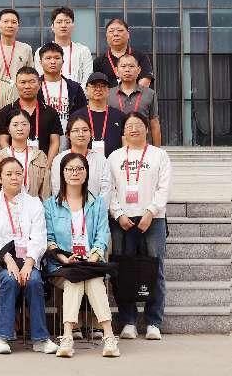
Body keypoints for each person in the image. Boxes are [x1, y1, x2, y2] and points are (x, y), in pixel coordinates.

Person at [44, 152, 120, 358]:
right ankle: (85, 335)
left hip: (90, 263)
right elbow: (49, 239)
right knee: (74, 278)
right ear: (62, 173)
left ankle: (99, 336)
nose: (75, 173)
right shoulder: (50, 205)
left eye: (80, 169)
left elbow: (103, 235)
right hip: (63, 265)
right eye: (69, 169)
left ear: (86, 173)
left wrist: (93, 257)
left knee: (89, 279)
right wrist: (63, 258)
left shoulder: (98, 203)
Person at [0, 157, 58, 355]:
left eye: (18, 173)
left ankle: (40, 339)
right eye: (9, 174)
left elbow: (39, 236)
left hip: (27, 260)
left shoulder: (34, 203)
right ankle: (1, 337)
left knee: (34, 281)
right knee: (9, 279)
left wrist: (29, 263)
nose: (14, 177)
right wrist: (9, 261)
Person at [108, 111, 172, 341]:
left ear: (147, 129)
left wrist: (150, 212)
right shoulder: (114, 157)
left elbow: (164, 188)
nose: (133, 129)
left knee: (155, 268)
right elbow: (109, 189)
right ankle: (128, 321)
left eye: (138, 125)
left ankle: (154, 322)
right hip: (122, 221)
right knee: (123, 270)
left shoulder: (159, 155)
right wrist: (118, 214)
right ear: (123, 131)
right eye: (129, 126)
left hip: (153, 219)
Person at [0, 66, 63, 160]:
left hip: (43, 164)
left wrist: (47, 165)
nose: (27, 86)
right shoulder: (6, 111)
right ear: (16, 85)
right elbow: (3, 141)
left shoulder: (50, 112)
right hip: (14, 165)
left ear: (39, 84)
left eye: (32, 82)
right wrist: (12, 163)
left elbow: (54, 142)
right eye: (23, 82)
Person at [49, 115, 113, 203]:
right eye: (76, 130)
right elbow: (57, 189)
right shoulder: (59, 159)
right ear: (68, 135)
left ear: (91, 133)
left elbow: (106, 191)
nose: (81, 134)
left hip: (96, 210)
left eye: (85, 130)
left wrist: (97, 209)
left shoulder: (101, 160)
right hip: (66, 210)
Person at [0, 110, 51, 199]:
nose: (20, 128)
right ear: (8, 129)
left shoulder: (40, 156)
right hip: (5, 205)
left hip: (33, 205)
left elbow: (45, 191)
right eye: (15, 125)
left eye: (24, 124)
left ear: (30, 127)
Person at [108, 53, 162, 145]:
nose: (127, 70)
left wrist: (157, 150)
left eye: (131, 66)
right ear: (116, 70)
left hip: (143, 147)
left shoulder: (150, 94)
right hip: (116, 147)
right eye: (123, 66)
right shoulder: (108, 94)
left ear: (139, 70)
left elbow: (154, 124)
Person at [37, 42, 87, 136]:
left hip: (69, 140)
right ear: (40, 62)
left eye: (57, 58)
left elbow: (83, 115)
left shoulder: (74, 88)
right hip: (42, 139)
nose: (53, 62)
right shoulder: (34, 87)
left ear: (63, 61)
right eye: (48, 58)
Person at [34, 7, 93, 87]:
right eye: (59, 22)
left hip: (77, 93)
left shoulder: (83, 51)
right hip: (48, 93)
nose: (63, 25)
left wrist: (78, 93)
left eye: (67, 22)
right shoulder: (41, 51)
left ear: (73, 26)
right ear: (52, 27)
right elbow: (39, 78)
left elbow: (87, 79)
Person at [72, 72, 125, 157]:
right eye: (94, 86)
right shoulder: (76, 116)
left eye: (102, 86)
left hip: (113, 163)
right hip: (84, 162)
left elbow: (125, 147)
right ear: (86, 90)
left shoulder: (120, 116)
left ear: (108, 90)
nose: (98, 89)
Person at [93, 18, 154, 88]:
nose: (115, 34)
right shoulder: (99, 61)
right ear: (106, 36)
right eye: (111, 31)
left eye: (120, 30)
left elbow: (146, 80)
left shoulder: (141, 56)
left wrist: (130, 93)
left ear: (128, 34)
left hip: (136, 94)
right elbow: (98, 86)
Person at [0, 9, 33, 84]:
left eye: (14, 22)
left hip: (19, 91)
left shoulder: (26, 49)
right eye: (6, 22)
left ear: (18, 26)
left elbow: (31, 75)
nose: (10, 25)